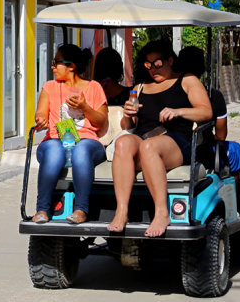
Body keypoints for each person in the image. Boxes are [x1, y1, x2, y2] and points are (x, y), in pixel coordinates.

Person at [107, 40, 212, 237]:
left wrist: (178, 111)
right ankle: (122, 211)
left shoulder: (187, 80)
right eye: (148, 65)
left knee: (148, 147)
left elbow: (206, 112)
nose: (153, 69)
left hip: (177, 139)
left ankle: (162, 212)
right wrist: (128, 114)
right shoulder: (138, 88)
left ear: (170, 60)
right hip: (145, 136)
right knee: (122, 142)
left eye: (158, 63)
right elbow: (127, 127)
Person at [33, 44, 109, 225]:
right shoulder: (50, 87)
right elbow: (41, 113)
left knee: (81, 149)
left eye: (56, 62)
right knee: (53, 148)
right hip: (55, 140)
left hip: (88, 141)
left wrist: (84, 107)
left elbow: (101, 122)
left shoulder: (94, 87)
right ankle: (42, 209)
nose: (52, 66)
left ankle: (81, 209)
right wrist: (41, 120)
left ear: (71, 66)